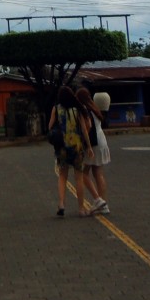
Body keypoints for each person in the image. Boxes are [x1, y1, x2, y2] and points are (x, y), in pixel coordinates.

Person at [47, 85, 94, 217]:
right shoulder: (77, 110)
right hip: (77, 147)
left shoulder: (56, 109)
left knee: (62, 176)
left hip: (62, 147)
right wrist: (89, 147)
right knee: (78, 178)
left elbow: (50, 126)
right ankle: (81, 208)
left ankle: (61, 204)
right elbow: (84, 129)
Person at [77, 87, 111, 215]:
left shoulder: (84, 110)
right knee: (98, 172)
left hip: (93, 142)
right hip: (102, 139)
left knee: (84, 172)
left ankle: (98, 200)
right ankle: (103, 204)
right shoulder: (95, 108)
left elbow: (87, 127)